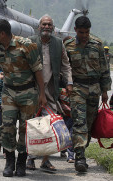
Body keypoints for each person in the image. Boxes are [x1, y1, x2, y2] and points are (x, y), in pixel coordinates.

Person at [0, 19, 47, 177]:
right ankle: (9, 162)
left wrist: (42, 94)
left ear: (2, 33)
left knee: (25, 129)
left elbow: (38, 70)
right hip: (8, 93)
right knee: (7, 127)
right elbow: (0, 64)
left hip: (28, 93)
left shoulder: (26, 45)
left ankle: (21, 162)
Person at [64, 16, 112, 173]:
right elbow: (65, 68)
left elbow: (104, 69)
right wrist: (66, 86)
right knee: (79, 122)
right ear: (76, 30)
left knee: (89, 123)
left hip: (94, 89)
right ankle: (80, 157)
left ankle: (82, 151)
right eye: (81, 32)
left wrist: (105, 91)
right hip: (77, 88)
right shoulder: (69, 45)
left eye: (86, 32)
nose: (84, 35)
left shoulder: (97, 45)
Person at [26, 14, 73, 172]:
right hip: (32, 91)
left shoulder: (59, 44)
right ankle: (30, 158)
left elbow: (66, 65)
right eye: (44, 24)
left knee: (50, 126)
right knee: (33, 124)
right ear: (39, 27)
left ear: (53, 28)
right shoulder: (31, 42)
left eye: (49, 25)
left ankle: (45, 160)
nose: (46, 27)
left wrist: (69, 82)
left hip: (51, 92)